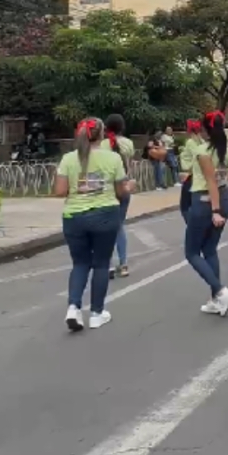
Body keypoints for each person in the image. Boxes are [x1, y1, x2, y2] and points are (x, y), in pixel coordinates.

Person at [54, 117, 130, 332]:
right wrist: (128, 187)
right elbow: (120, 191)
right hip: (105, 214)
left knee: (79, 264)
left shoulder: (69, 159)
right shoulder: (112, 158)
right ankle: (96, 313)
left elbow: (60, 191)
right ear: (102, 134)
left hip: (74, 216)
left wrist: (80, 187)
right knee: (101, 264)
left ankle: (73, 307)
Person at [185, 111, 228, 315]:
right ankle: (216, 299)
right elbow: (226, 176)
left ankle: (220, 291)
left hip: (206, 201)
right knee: (210, 249)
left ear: (205, 129)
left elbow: (210, 181)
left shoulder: (203, 150)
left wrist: (215, 210)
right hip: (224, 198)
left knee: (191, 252)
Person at [104, 113, 136, 278]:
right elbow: (130, 164)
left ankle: (108, 265)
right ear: (122, 127)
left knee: (105, 228)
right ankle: (123, 264)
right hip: (124, 187)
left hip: (107, 189)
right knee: (119, 226)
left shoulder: (102, 145)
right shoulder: (128, 143)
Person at [178, 119, 202, 220]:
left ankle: (193, 228)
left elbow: (197, 157)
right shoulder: (200, 141)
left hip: (190, 175)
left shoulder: (190, 142)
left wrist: (189, 171)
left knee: (185, 206)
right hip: (197, 175)